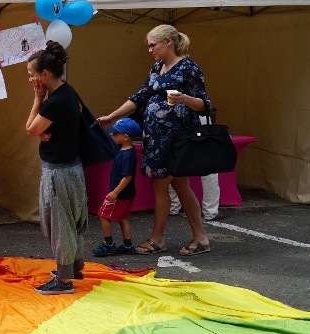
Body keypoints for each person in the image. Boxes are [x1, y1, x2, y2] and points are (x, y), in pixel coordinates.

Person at [98, 24, 212, 257]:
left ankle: (158, 239)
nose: (150, 50)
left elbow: (204, 104)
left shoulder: (188, 67)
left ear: (168, 42)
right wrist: (112, 116)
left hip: (176, 138)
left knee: (160, 184)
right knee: (180, 184)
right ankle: (200, 238)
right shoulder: (157, 67)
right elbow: (139, 97)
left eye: (153, 45)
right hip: (157, 138)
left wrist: (184, 99)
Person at [25, 42, 87, 295]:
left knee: (59, 223)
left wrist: (37, 99)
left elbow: (30, 128)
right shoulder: (68, 92)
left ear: (45, 75)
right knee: (69, 221)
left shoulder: (54, 101)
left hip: (59, 171)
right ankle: (72, 267)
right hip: (70, 167)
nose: (30, 79)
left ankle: (63, 281)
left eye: (32, 74)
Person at [92, 118, 141, 257]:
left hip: (120, 194)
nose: (113, 136)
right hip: (127, 193)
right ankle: (128, 244)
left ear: (125, 137)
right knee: (122, 217)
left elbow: (127, 177)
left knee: (103, 215)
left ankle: (108, 244)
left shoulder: (127, 155)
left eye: (116, 134)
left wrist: (115, 192)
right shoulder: (126, 151)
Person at [169, 109, 223, 221]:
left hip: (173, 117)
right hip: (198, 116)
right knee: (208, 167)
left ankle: (173, 206)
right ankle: (210, 211)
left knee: (174, 162)